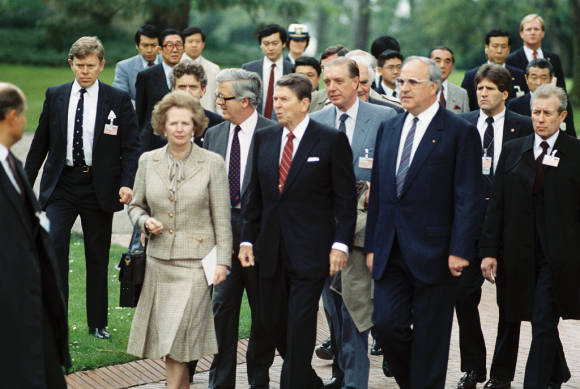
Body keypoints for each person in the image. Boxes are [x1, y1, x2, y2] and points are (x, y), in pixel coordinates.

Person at [365, 56, 482, 389]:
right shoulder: (389, 127)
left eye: (412, 82)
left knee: (432, 338)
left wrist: (460, 249)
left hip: (437, 252)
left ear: (434, 86)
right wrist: (373, 244)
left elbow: (468, 197)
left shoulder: (459, 131)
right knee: (387, 326)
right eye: (401, 81)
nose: (403, 88)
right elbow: (381, 195)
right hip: (390, 250)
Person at [239, 73, 356, 389]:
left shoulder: (330, 140)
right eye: (275, 99)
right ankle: (306, 383)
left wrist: (340, 245)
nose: (277, 105)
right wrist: (247, 239)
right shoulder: (265, 139)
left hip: (311, 253)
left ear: (305, 103)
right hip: (268, 251)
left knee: (300, 324)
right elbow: (254, 197)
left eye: (284, 100)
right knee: (270, 323)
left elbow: (345, 201)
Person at [25, 36, 140, 339]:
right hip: (61, 185)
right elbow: (39, 145)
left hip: (98, 187)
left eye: (91, 66)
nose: (85, 71)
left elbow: (131, 148)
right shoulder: (56, 95)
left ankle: (97, 323)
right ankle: (56, 320)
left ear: (101, 65)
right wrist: (23, 184)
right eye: (79, 65)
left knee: (97, 256)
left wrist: (127, 184)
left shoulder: (117, 100)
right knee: (54, 249)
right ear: (70, 64)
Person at [127, 91, 232, 389]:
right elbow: (135, 206)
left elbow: (222, 217)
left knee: (177, 340)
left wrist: (223, 261)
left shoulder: (212, 163)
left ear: (196, 126)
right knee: (175, 346)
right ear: (163, 125)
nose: (180, 128)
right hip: (159, 264)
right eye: (173, 123)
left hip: (196, 266)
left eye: (186, 123)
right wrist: (144, 221)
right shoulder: (148, 161)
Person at [480, 84, 580, 388]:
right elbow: (497, 205)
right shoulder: (514, 149)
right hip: (518, 253)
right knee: (520, 314)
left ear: (562, 116)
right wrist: (488, 251)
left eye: (547, 113)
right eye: (536, 112)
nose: (540, 119)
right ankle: (557, 371)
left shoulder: (576, 153)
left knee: (544, 320)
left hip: (558, 256)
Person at [311, 56, 395, 389]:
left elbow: (397, 166)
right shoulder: (316, 120)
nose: (330, 88)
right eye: (326, 82)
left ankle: (354, 381)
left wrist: (380, 185)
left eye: (338, 81)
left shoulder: (384, 118)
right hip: (324, 230)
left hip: (364, 233)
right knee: (332, 308)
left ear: (357, 82)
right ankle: (343, 374)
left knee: (356, 310)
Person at [455, 64, 533, 389]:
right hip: (471, 224)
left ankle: (502, 375)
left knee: (510, 302)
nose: (483, 94)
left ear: (505, 93)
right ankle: (473, 368)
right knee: (462, 296)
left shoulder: (525, 127)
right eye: (479, 88)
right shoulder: (462, 125)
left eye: (489, 89)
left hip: (509, 225)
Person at [203, 68, 277, 389]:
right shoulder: (214, 134)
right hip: (223, 236)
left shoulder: (273, 134)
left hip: (260, 239)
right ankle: (220, 382)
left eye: (224, 97)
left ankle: (258, 378)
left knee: (264, 315)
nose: (218, 102)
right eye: (218, 96)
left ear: (246, 101)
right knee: (222, 309)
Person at [1, 82, 70, 389]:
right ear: (13, 116)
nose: (25, 121)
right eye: (24, 115)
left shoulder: (12, 164)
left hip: (34, 303)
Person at [140, 60, 224, 151]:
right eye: (182, 87)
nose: (187, 92)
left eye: (193, 87)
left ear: (203, 90)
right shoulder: (158, 122)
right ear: (173, 89)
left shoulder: (217, 124)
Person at [136, 28, 184, 148]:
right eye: (169, 45)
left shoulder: (190, 75)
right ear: (160, 50)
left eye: (178, 45)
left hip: (183, 136)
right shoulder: (146, 76)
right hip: (153, 140)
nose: (174, 49)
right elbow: (140, 114)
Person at [461, 30, 528, 111]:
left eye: (503, 47)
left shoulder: (519, 75)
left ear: (509, 49)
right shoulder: (471, 76)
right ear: (486, 48)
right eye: (495, 46)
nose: (499, 51)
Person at [508, 58, 575, 137]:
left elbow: (570, 134)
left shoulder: (562, 103)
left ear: (551, 78)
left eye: (543, 78)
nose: (538, 82)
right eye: (534, 77)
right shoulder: (514, 105)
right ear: (526, 78)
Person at [242, 24, 293, 119]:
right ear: (260, 45)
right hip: (255, 122)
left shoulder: (292, 70)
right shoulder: (248, 69)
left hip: (283, 123)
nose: (270, 48)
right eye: (266, 44)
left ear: (284, 43)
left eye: (275, 43)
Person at [506, 14, 567, 91]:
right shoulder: (511, 60)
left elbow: (561, 89)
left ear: (543, 33)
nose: (532, 32)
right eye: (528, 29)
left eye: (536, 29)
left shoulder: (554, 58)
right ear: (521, 33)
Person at [112, 24, 161, 106]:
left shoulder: (168, 63)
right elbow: (119, 96)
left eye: (153, 45)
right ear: (137, 46)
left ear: (160, 46)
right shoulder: (124, 67)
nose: (149, 50)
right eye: (145, 45)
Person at [181, 26, 220, 113]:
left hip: (208, 117)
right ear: (183, 45)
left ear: (203, 45)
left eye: (198, 42)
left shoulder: (214, 69)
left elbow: (219, 97)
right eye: (190, 41)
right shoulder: (175, 67)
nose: (194, 45)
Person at [429, 46, 469, 114]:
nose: (442, 65)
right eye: (437, 61)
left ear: (452, 65)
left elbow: (466, 121)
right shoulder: (419, 90)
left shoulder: (461, 94)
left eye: (447, 62)